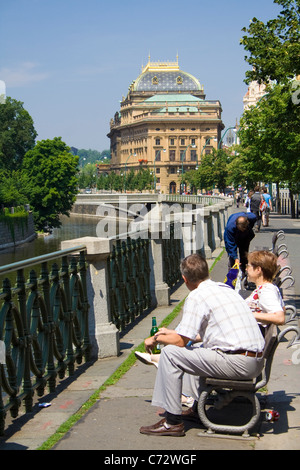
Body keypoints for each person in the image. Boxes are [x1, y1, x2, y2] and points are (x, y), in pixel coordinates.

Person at [139, 253, 265, 437]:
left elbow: (181, 341)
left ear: (184, 279)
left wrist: (156, 339)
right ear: (206, 272)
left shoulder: (197, 296)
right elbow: (192, 334)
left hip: (239, 362)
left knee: (170, 354)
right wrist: (164, 333)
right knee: (197, 350)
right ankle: (198, 409)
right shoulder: (224, 289)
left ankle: (172, 422)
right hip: (254, 359)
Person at [245, 251, 285, 332]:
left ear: (258, 269)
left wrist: (249, 314)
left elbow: (280, 317)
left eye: (248, 266)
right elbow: (283, 308)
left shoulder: (266, 290)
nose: (246, 269)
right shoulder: (269, 287)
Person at [224, 211, 257, 276]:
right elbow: (231, 245)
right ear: (236, 225)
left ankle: (244, 274)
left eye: (244, 228)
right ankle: (232, 276)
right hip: (233, 236)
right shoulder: (230, 228)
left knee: (244, 254)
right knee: (232, 258)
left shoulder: (252, 217)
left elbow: (254, 219)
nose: (243, 229)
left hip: (245, 236)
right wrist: (235, 258)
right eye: (241, 229)